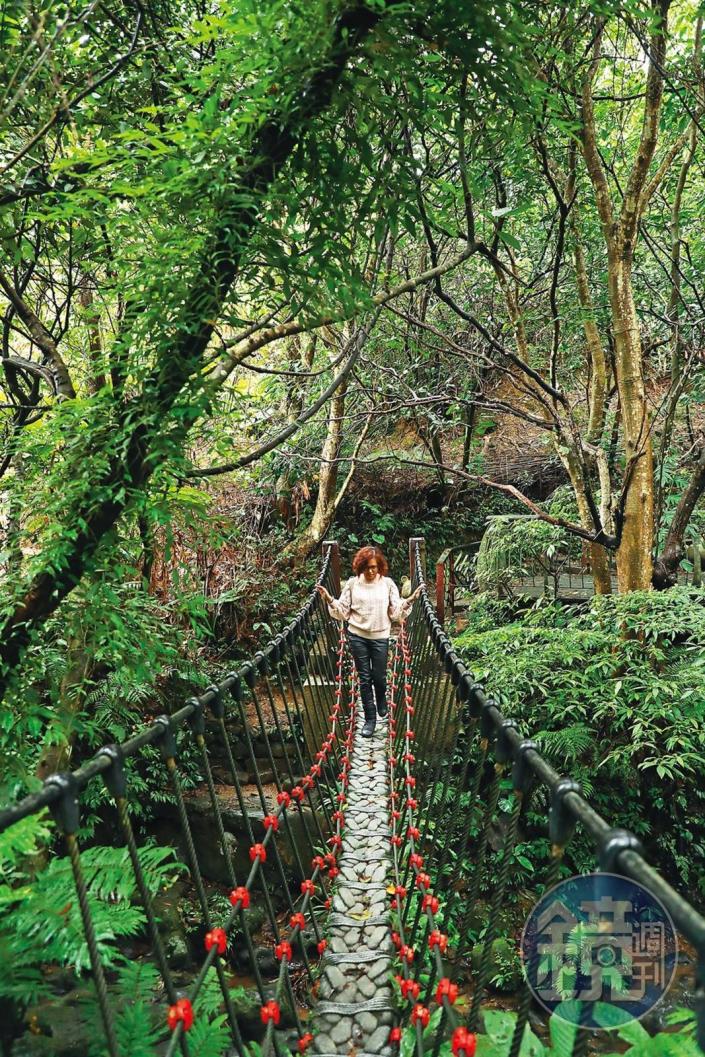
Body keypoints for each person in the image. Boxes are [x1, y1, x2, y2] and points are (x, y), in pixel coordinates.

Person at [316, 546, 422, 737]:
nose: (371, 571)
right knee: (365, 679)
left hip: (380, 636)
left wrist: (411, 599)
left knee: (379, 677)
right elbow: (343, 611)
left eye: (374, 567)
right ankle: (370, 719)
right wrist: (329, 599)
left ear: (379, 566)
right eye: (366, 567)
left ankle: (381, 698)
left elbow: (395, 611)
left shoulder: (387, 584)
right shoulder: (352, 584)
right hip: (357, 636)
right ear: (360, 567)